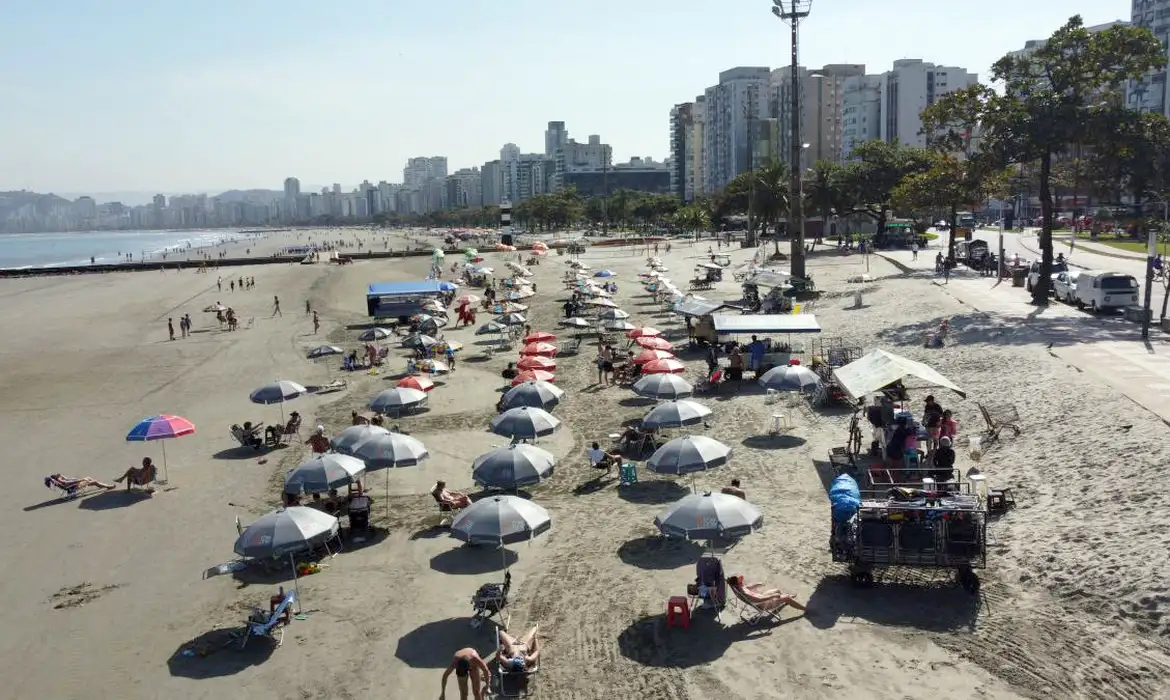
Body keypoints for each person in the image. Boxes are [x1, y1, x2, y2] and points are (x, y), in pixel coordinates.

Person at [726, 575, 807, 611]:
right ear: (738, 583)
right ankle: (804, 609)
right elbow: (759, 599)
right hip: (763, 604)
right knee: (786, 598)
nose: (742, 581)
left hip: (760, 598)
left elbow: (747, 587)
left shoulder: (738, 588)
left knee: (777, 590)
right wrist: (772, 596)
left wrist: (756, 584)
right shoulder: (743, 592)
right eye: (740, 581)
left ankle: (786, 599)